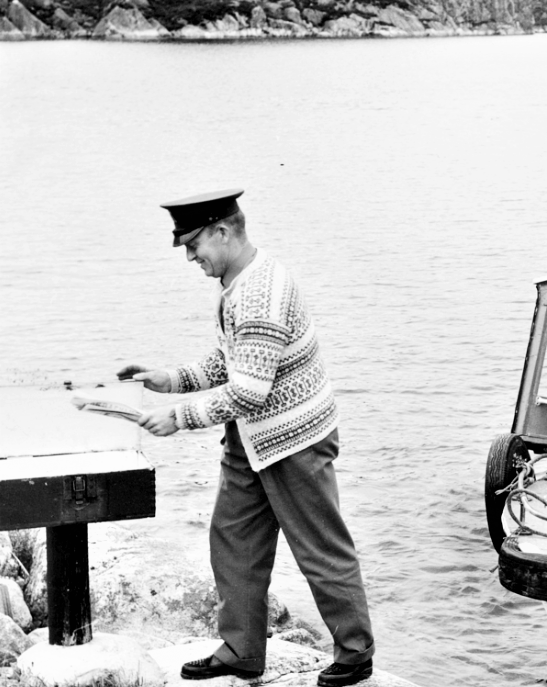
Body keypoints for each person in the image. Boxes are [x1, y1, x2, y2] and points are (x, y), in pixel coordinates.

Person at [117, 189, 375, 685]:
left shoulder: (260, 292)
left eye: (194, 244)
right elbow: (229, 362)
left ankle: (356, 652)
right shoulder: (240, 281)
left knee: (321, 549)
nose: (191, 256)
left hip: (295, 438)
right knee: (232, 539)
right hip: (252, 439)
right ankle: (241, 649)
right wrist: (168, 378)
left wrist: (180, 417)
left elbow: (251, 391)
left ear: (223, 231)